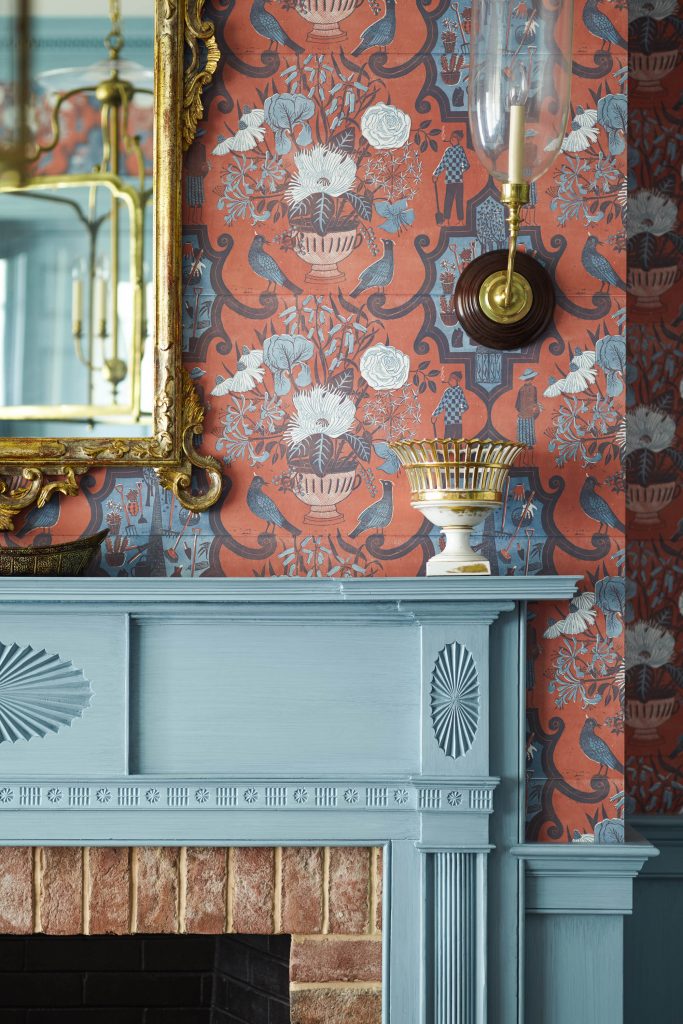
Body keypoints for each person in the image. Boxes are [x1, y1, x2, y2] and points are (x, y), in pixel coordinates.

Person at [433, 130, 470, 223]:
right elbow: (443, 163)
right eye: (452, 138)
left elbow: (466, 164)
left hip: (458, 181)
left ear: (458, 140)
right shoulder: (448, 150)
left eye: (455, 138)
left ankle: (461, 220)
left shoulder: (461, 150)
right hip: (449, 180)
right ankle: (446, 220)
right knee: (448, 201)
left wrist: (459, 171)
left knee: (459, 201)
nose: (453, 140)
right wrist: (436, 174)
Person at [432, 371, 469, 438]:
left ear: (457, 380)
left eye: (452, 379)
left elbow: (465, 405)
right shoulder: (447, 391)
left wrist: (460, 410)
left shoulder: (459, 391)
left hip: (458, 422)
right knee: (447, 442)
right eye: (449, 378)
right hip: (448, 421)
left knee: (458, 442)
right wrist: (435, 415)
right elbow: (442, 404)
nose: (449, 380)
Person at [516, 368, 541, 450]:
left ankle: (525, 445)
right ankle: (527, 445)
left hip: (524, 413)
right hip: (528, 413)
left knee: (524, 429)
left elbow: (517, 405)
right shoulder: (532, 389)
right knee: (527, 428)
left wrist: (523, 410)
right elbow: (534, 401)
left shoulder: (522, 389)